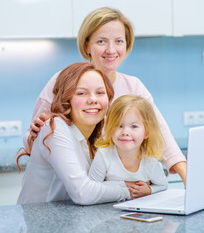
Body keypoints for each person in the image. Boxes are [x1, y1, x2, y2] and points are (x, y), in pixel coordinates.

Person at [24, 7, 187, 184]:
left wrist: (186, 175)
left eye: (119, 41)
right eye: (101, 41)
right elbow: (32, 142)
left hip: (109, 192)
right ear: (87, 45)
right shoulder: (62, 81)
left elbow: (160, 132)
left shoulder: (133, 86)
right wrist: (35, 135)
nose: (111, 50)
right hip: (64, 190)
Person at [16, 62, 131, 205]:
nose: (93, 99)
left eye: (100, 93)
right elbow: (83, 193)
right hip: (42, 223)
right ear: (66, 99)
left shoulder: (102, 131)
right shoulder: (55, 128)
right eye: (82, 93)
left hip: (70, 218)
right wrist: (129, 191)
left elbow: (108, 181)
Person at [89, 95, 168, 199]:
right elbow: (91, 188)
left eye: (134, 126)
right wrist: (127, 184)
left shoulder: (150, 160)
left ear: (147, 132)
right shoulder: (104, 154)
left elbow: (163, 185)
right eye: (119, 125)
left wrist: (149, 190)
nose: (125, 132)